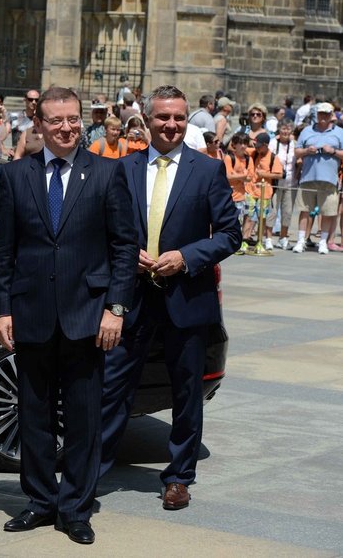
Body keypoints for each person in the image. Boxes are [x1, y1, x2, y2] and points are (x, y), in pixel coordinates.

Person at [0, 86, 137, 545]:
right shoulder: (17, 176)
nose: (67, 127)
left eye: (73, 119)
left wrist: (115, 308)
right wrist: (1, 310)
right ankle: (38, 500)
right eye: (56, 120)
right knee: (32, 414)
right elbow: (5, 251)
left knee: (83, 417)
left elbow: (124, 247)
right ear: (40, 124)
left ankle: (75, 507)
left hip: (88, 317)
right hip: (31, 313)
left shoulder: (108, 173)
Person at [100, 85, 241, 512]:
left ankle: (178, 477)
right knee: (111, 386)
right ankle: (91, 469)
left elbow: (231, 234)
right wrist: (125, 252)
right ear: (147, 118)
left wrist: (186, 256)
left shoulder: (207, 170)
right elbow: (101, 227)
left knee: (185, 393)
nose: (171, 125)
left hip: (187, 297)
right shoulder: (122, 169)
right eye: (163, 117)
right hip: (132, 297)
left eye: (179, 117)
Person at [292, 102, 343, 254]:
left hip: (329, 179)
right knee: (304, 210)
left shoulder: (339, 132)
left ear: (331, 115)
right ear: (317, 114)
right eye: (321, 113)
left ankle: (323, 242)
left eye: (326, 114)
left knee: (327, 211)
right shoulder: (307, 131)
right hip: (308, 177)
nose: (323, 117)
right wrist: (307, 150)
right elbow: (297, 152)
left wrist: (332, 151)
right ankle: (301, 240)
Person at [244, 131, 282, 250]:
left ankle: (260, 241)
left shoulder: (273, 157)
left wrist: (264, 174)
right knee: (249, 216)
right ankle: (244, 240)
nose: (256, 148)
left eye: (259, 145)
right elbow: (241, 148)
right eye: (255, 145)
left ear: (266, 145)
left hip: (264, 194)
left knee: (262, 218)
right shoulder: (254, 153)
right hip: (251, 191)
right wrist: (250, 142)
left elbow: (279, 174)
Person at [270, 119, 297, 249]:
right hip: (275, 182)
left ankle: (283, 237)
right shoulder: (273, 143)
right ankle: (268, 238)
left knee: (287, 211)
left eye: (288, 129)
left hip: (291, 182)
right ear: (279, 130)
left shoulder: (294, 144)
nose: (285, 131)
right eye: (283, 128)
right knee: (273, 211)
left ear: (291, 131)